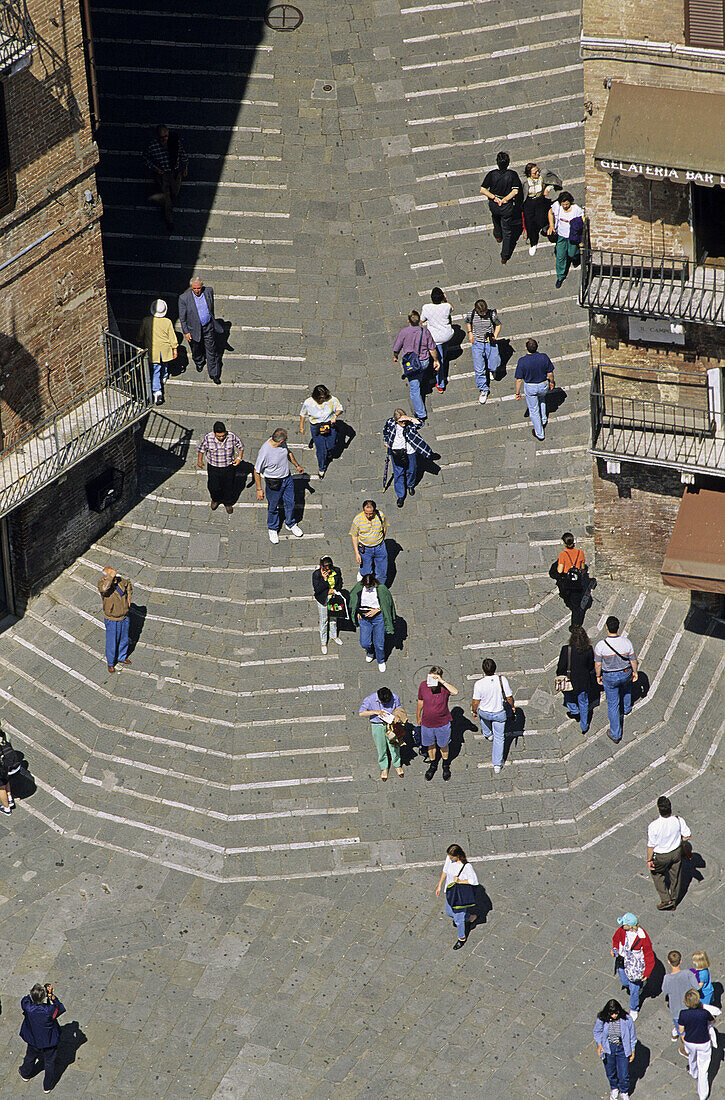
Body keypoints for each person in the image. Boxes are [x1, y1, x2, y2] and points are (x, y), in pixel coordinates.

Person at [254, 429, 304, 544]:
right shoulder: (265, 452)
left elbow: (289, 453)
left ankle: (290, 523)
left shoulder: (282, 445)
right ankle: (272, 528)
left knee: (290, 502)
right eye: (285, 439)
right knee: (273, 506)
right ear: (280, 441)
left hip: (287, 479)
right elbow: (256, 471)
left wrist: (297, 465)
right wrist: (259, 489)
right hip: (274, 483)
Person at [595, 616, 638, 743]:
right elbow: (633, 660)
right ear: (618, 627)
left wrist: (598, 676)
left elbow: (598, 664)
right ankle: (626, 707)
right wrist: (635, 672)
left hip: (610, 676)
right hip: (625, 673)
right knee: (626, 689)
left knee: (613, 705)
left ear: (607, 628)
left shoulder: (601, 646)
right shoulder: (626, 642)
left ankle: (616, 734)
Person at [392, 310, 440, 422]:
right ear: (419, 321)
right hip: (423, 362)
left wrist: (395, 357)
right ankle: (422, 380)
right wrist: (436, 360)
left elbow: (396, 348)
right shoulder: (425, 332)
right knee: (421, 375)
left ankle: (421, 414)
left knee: (414, 390)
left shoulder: (403, 332)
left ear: (408, 321)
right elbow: (432, 349)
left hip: (411, 364)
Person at [646, 795, 691, 910]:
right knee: (676, 877)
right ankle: (674, 900)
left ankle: (666, 900)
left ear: (658, 809)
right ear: (670, 808)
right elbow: (687, 835)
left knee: (657, 874)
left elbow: (651, 846)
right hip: (676, 853)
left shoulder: (654, 826)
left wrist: (649, 859)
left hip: (661, 856)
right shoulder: (678, 820)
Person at [18, 982, 65, 1092]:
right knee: (49, 1062)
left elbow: (26, 998)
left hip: (33, 1038)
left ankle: (25, 1073)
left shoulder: (27, 1006)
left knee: (30, 1056)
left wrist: (37, 992)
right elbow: (60, 1008)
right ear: (43, 997)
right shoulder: (49, 1011)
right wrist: (52, 996)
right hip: (49, 1040)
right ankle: (47, 1086)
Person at [471, 658, 515, 774]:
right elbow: (509, 697)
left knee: (483, 720)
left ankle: (487, 734)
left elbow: (476, 701)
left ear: (483, 670)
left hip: (484, 712)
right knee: (499, 738)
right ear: (495, 668)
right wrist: (512, 706)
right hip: (499, 713)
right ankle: (497, 764)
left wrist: (474, 711)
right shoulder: (502, 680)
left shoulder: (479, 684)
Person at [382, 409, 433, 508]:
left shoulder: (409, 424)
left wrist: (409, 418)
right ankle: (400, 495)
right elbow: (385, 431)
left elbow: (420, 424)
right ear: (396, 420)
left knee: (412, 470)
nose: (403, 423)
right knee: (399, 472)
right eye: (401, 421)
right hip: (396, 451)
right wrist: (385, 441)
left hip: (410, 451)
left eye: (404, 420)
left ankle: (410, 485)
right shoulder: (390, 422)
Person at [480, 150, 523, 264]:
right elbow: (515, 191)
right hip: (506, 206)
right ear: (508, 163)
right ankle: (505, 255)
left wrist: (494, 198)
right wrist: (504, 199)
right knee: (507, 231)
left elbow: (483, 189)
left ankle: (498, 236)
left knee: (495, 218)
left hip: (494, 204)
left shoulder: (492, 174)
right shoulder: (512, 175)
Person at [417, 667, 458, 782]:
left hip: (442, 724)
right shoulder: (423, 685)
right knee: (430, 745)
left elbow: (455, 692)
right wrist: (418, 716)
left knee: (443, 745)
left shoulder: (444, 688)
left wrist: (441, 681)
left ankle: (445, 765)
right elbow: (420, 701)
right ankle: (433, 764)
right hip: (427, 723)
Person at [434, 844, 479, 950]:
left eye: (451, 857)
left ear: (457, 855)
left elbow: (474, 881)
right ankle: (469, 917)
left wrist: (460, 881)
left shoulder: (466, 866)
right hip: (451, 892)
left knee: (458, 920)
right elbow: (445, 871)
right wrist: (439, 885)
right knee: (449, 912)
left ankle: (461, 938)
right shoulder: (449, 859)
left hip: (460, 896)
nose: (449, 859)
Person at [144, 124, 188, 230]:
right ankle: (169, 221)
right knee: (166, 199)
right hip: (162, 174)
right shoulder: (152, 146)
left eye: (166, 136)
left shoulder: (174, 143)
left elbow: (182, 154)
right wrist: (155, 168)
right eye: (162, 137)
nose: (164, 139)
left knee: (175, 192)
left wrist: (185, 167)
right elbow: (145, 158)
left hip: (174, 172)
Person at [611, 913, 654, 1020]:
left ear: (630, 926)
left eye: (624, 924)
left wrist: (647, 972)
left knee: (634, 989)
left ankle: (634, 1008)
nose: (622, 926)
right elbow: (615, 939)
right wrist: (614, 948)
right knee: (625, 982)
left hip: (635, 966)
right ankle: (639, 985)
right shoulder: (621, 930)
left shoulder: (643, 938)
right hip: (623, 960)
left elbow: (649, 955)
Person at [349, 574, 396, 673]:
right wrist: (357, 611)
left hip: (378, 618)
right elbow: (353, 599)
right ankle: (370, 651)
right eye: (366, 587)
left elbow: (387, 603)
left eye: (370, 586)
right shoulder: (359, 587)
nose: (368, 588)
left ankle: (381, 660)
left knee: (379, 644)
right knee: (364, 642)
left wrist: (378, 609)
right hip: (364, 619)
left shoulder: (381, 589)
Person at [178, 276, 222, 382]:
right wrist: (186, 332)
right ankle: (199, 362)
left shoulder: (209, 291)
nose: (197, 291)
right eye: (195, 289)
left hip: (208, 326)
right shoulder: (184, 298)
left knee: (211, 350)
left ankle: (214, 373)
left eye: (199, 288)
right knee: (196, 348)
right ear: (191, 288)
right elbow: (182, 318)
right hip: (194, 329)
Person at [136, 298, 178, 405]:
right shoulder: (167, 322)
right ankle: (164, 376)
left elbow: (141, 335)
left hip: (152, 351)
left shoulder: (146, 321)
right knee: (164, 364)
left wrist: (139, 341)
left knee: (155, 370)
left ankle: (157, 391)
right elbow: (172, 337)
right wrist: (175, 348)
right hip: (165, 349)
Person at [359, 685, 405, 781]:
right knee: (381, 747)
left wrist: (397, 715)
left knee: (395, 745)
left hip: (391, 724)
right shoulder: (369, 699)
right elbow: (361, 713)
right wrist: (375, 712)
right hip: (377, 725)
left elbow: (399, 707)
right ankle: (384, 767)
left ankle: (397, 764)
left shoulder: (395, 697)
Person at [593, 998, 636, 1100]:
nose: (614, 1015)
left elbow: (632, 1036)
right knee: (610, 1071)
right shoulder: (602, 1019)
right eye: (612, 1013)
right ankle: (614, 1088)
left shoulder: (627, 1019)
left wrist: (632, 1050)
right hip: (609, 1048)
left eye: (616, 1013)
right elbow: (597, 1032)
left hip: (622, 1048)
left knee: (624, 1074)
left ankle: (624, 1091)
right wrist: (599, 1044)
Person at [197, 421, 243, 515]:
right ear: (214, 433)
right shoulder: (208, 438)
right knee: (213, 486)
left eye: (223, 436)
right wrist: (199, 460)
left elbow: (240, 447)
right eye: (219, 436)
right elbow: (201, 449)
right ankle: (215, 499)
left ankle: (227, 502)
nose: (221, 438)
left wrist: (239, 458)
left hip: (228, 467)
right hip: (214, 467)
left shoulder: (232, 436)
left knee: (228, 486)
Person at [514, 338, 555, 441]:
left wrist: (517, 393)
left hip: (531, 387)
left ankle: (539, 433)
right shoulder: (544, 357)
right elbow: (550, 373)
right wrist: (551, 382)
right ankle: (544, 419)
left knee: (533, 410)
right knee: (542, 399)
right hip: (543, 384)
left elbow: (519, 380)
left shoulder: (522, 361)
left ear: (526, 348)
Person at [298, 384, 343, 479]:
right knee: (321, 450)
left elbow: (340, 408)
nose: (323, 400)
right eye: (321, 398)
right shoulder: (308, 402)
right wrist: (301, 426)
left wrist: (335, 415)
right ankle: (322, 468)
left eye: (325, 397)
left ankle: (329, 450)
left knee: (331, 445)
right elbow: (303, 414)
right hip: (316, 426)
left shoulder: (332, 399)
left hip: (329, 424)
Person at [556, 625, 595, 734]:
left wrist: (559, 674)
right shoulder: (589, 650)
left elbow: (561, 666)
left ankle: (574, 711)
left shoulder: (566, 649)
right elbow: (591, 666)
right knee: (583, 702)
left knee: (568, 697)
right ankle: (584, 726)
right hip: (583, 681)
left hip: (569, 680)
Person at [679, 989, 713, 1100]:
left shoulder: (683, 1014)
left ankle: (693, 1072)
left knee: (692, 1057)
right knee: (704, 1068)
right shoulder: (704, 1013)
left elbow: (681, 1029)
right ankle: (703, 1094)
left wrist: (683, 1039)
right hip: (703, 1042)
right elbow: (713, 1020)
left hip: (690, 1041)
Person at [466, 299, 501, 405]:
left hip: (490, 342)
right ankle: (483, 389)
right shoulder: (471, 314)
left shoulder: (492, 314)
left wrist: (494, 336)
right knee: (479, 369)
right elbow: (468, 322)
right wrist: (470, 333)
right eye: (482, 313)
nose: (484, 314)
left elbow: (498, 325)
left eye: (485, 312)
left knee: (494, 363)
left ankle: (492, 370)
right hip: (477, 343)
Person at [98, 566, 133, 673]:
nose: (115, 579)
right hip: (112, 619)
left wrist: (129, 599)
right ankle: (111, 663)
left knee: (124, 639)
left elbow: (128, 585)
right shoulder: (102, 584)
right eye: (113, 577)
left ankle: (122, 657)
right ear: (106, 577)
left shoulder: (120, 581)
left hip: (124, 616)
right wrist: (110, 577)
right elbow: (104, 589)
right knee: (112, 642)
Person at [547, 190, 585, 288]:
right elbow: (550, 213)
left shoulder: (576, 209)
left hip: (572, 237)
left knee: (572, 253)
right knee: (560, 257)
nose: (565, 206)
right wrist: (551, 226)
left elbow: (583, 219)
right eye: (563, 204)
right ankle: (560, 276)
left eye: (567, 204)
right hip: (561, 236)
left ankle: (576, 258)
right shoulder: (557, 206)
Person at [522, 162, 561, 255]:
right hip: (529, 203)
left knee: (542, 219)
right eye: (534, 173)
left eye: (537, 171)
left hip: (540, 201)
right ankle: (533, 243)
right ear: (529, 174)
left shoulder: (542, 176)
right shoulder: (524, 181)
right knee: (530, 224)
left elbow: (555, 181)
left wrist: (548, 188)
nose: (537, 173)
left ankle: (545, 230)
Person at [420, 287, 454, 391]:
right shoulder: (446, 306)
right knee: (443, 350)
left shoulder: (426, 308)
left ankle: (441, 384)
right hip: (447, 335)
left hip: (435, 338)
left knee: (439, 362)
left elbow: (421, 321)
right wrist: (445, 299)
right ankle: (443, 356)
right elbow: (452, 307)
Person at [663, 950, 698, 1050]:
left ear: (668, 962)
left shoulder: (667, 978)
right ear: (680, 961)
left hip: (676, 1011)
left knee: (682, 1031)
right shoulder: (688, 973)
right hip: (689, 1006)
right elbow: (696, 987)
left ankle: (687, 1049)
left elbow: (665, 991)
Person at [349, 500, 388, 584]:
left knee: (382, 571)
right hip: (365, 549)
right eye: (366, 513)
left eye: (371, 513)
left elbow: (384, 528)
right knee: (366, 572)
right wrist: (357, 553)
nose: (368, 515)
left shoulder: (381, 515)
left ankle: (380, 588)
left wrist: (380, 540)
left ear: (375, 510)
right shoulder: (357, 520)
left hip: (379, 547)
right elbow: (354, 536)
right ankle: (366, 585)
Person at [312, 556, 344, 654]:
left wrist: (334, 590)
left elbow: (340, 583)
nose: (328, 570)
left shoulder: (337, 571)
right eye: (326, 568)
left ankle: (334, 635)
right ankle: (323, 642)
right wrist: (325, 580)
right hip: (323, 599)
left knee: (334, 617)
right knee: (324, 620)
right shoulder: (317, 574)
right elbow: (317, 590)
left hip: (334, 598)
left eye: (330, 567)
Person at [555, 532, 587, 627]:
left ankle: (574, 623)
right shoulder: (580, 553)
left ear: (564, 543)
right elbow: (582, 567)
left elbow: (560, 571)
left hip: (567, 582)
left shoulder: (563, 554)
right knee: (576, 605)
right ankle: (575, 624)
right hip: (577, 582)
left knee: (570, 602)